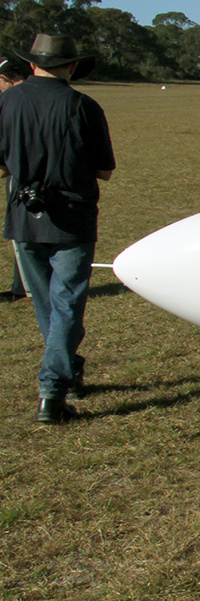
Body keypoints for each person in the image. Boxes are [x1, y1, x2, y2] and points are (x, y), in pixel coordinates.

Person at [0, 33, 116, 423]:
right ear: (70, 67)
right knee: (66, 304)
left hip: (24, 218)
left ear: (32, 64)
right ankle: (52, 391)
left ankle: (70, 365)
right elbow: (105, 170)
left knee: (48, 304)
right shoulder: (83, 106)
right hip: (72, 219)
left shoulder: (6, 101)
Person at [0, 58, 28, 302]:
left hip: (20, 176)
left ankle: (26, 288)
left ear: (6, 78)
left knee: (22, 236)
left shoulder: (9, 100)